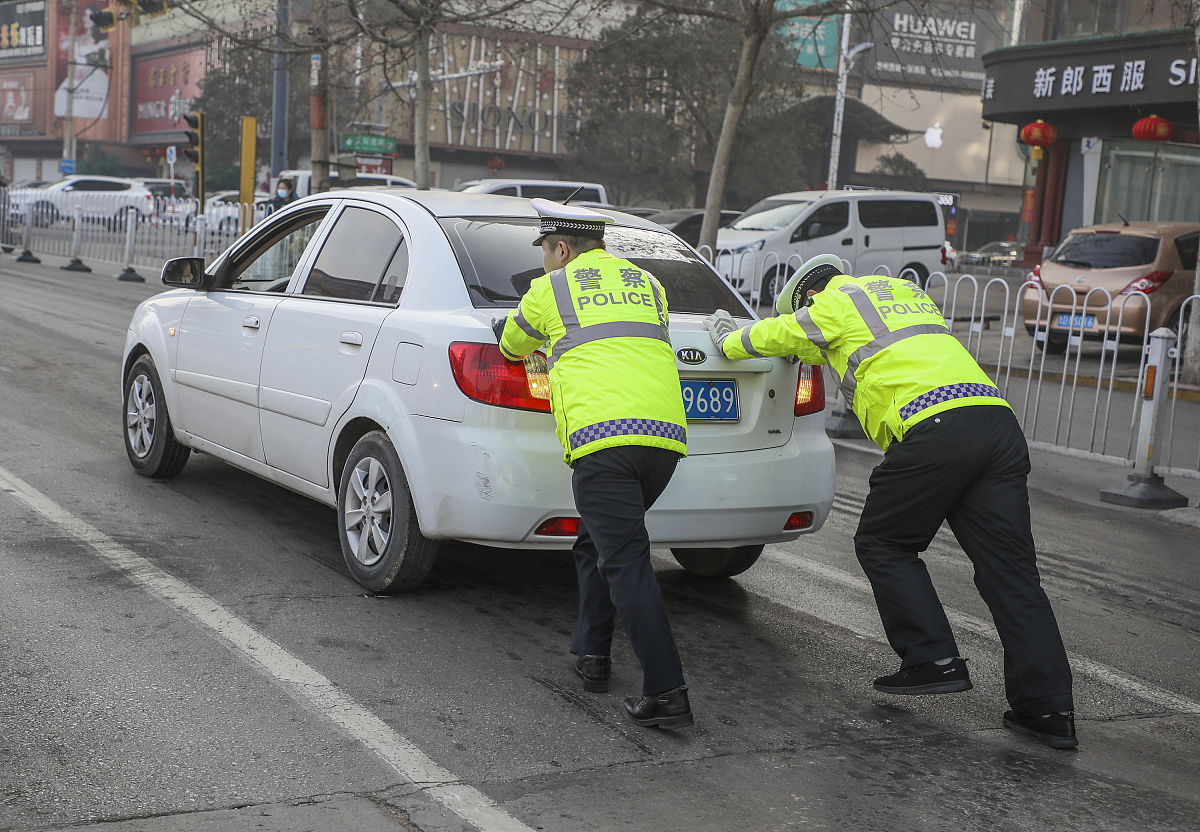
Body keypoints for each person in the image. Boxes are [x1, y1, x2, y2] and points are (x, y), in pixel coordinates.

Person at [703, 254, 1077, 749]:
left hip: (933, 429)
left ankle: (932, 657)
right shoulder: (902, 296)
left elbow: (774, 338)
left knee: (882, 542)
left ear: (808, 298)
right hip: (996, 425)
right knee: (1011, 573)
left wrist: (726, 338)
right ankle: (1048, 710)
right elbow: (821, 353)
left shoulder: (833, 304)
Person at [494, 198, 693, 729]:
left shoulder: (551, 288)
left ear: (561, 249)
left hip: (604, 441)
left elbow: (513, 344)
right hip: (665, 442)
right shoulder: (649, 285)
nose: (543, 262)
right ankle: (593, 656)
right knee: (598, 543)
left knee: (626, 562)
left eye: (545, 252)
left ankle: (667, 691)